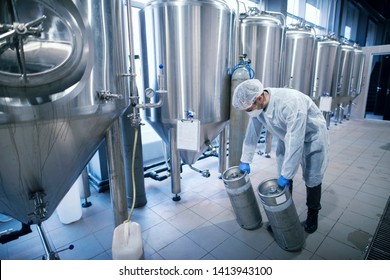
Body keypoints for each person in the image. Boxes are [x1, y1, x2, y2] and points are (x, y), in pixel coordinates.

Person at [232, 79, 329, 233]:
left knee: (312, 178)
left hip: (312, 138)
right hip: (286, 136)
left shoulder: (290, 103)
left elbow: (295, 142)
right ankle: (285, 215)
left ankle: (313, 216)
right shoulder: (258, 107)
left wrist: (287, 174)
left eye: (249, 109)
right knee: (283, 174)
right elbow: (252, 133)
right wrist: (245, 159)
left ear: (259, 98)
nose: (249, 112)